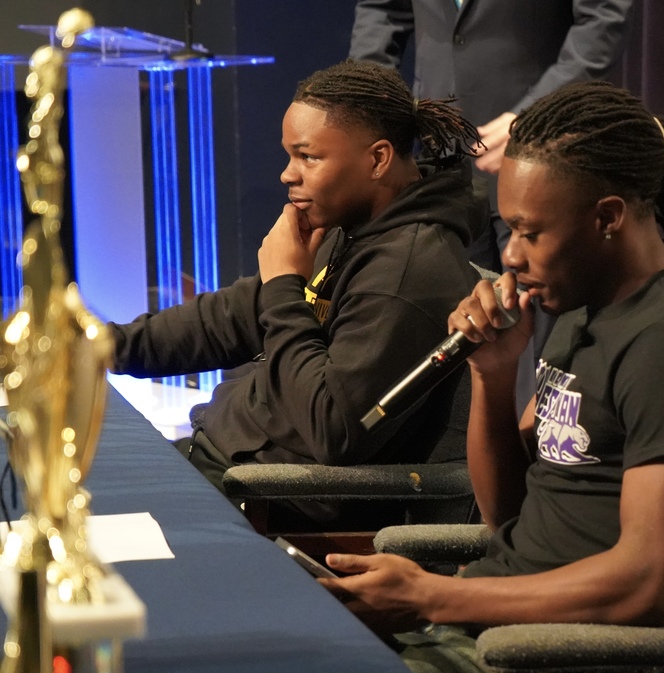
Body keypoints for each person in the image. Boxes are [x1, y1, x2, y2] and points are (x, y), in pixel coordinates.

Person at [317, 81, 664, 673]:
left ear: (607, 217)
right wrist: (493, 374)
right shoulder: (582, 309)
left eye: (530, 232)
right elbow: (507, 513)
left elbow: (646, 584)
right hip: (489, 626)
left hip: (547, 659)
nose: (512, 259)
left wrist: (434, 598)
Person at [108, 60, 486, 526]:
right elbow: (233, 316)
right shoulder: (351, 226)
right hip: (220, 462)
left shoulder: (406, 275)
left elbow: (333, 428)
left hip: (269, 500)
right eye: (290, 156)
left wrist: (285, 286)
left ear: (378, 159)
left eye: (308, 157)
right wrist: (103, 347)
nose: (289, 174)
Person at [348, 0, 636, 269]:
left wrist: (536, 114)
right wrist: (368, 101)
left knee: (540, 314)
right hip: (442, 160)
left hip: (542, 159)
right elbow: (381, 9)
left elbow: (604, 17)